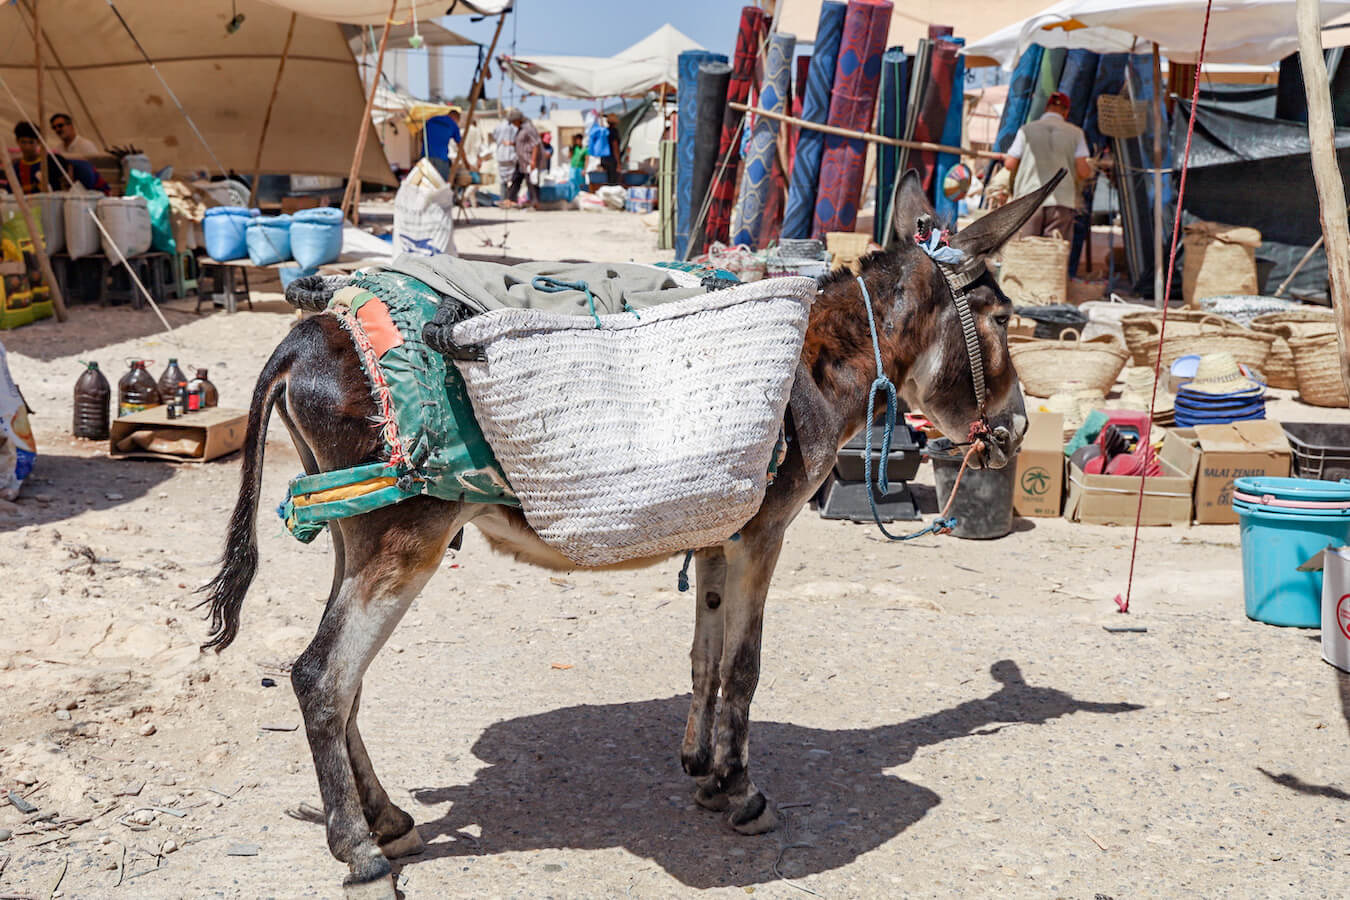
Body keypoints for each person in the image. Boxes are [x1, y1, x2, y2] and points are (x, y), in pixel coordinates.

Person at [1002, 91, 1093, 239]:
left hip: (1029, 199)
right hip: (1061, 202)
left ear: (1046, 109)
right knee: (1052, 252)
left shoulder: (1026, 130)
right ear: (1066, 112)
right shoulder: (1076, 133)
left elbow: (1010, 164)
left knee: (1026, 250)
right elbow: (1083, 171)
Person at [1, 122, 110, 195]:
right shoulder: (15, 168)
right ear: (17, 141)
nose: (27, 147)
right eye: (23, 142)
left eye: (31, 142)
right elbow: (11, 192)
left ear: (39, 142)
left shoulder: (50, 164)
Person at [506, 108, 541, 210]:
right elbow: (521, 143)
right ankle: (511, 200)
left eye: (513, 122)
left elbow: (536, 144)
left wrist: (533, 160)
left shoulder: (528, 128)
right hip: (521, 161)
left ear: (518, 120)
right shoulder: (520, 129)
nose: (513, 124)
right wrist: (511, 144)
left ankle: (536, 203)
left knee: (531, 183)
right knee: (515, 180)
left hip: (528, 160)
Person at [492, 112, 519, 204]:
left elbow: (494, 136)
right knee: (513, 179)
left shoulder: (499, 126)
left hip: (501, 155)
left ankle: (504, 199)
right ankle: (511, 200)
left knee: (503, 180)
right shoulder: (515, 127)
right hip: (511, 155)